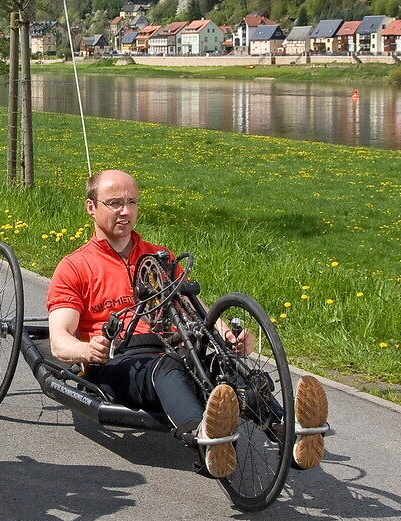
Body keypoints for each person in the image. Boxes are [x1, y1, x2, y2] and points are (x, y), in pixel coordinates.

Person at [47, 169, 328, 476]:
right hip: (121, 361)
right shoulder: (75, 267)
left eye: (132, 202)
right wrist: (88, 350)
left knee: (227, 366)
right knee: (166, 368)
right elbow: (59, 339)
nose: (126, 211)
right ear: (91, 207)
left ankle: (290, 437)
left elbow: (197, 312)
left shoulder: (160, 257)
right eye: (115, 203)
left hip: (179, 349)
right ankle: (203, 441)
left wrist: (227, 337)